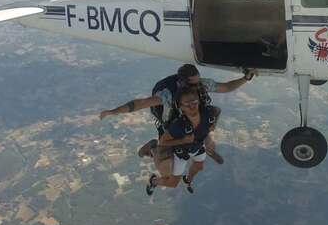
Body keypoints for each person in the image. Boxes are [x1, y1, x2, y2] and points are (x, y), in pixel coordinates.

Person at [98, 64, 257, 181]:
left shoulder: (200, 85)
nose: (197, 86)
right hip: (173, 128)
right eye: (193, 84)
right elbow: (140, 103)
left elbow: (226, 87)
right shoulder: (168, 95)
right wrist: (114, 111)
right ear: (182, 83)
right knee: (166, 170)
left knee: (209, 130)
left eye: (197, 82)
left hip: (194, 123)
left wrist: (246, 78)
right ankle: (153, 148)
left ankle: (204, 146)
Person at [146, 86, 219, 196]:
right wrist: (182, 140)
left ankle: (187, 179)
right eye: (187, 104)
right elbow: (163, 142)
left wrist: (213, 124)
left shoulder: (207, 113)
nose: (192, 106)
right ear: (181, 107)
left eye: (194, 101)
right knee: (172, 183)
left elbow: (217, 110)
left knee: (199, 166)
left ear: (199, 101)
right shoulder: (178, 125)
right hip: (180, 153)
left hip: (196, 146)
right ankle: (153, 181)